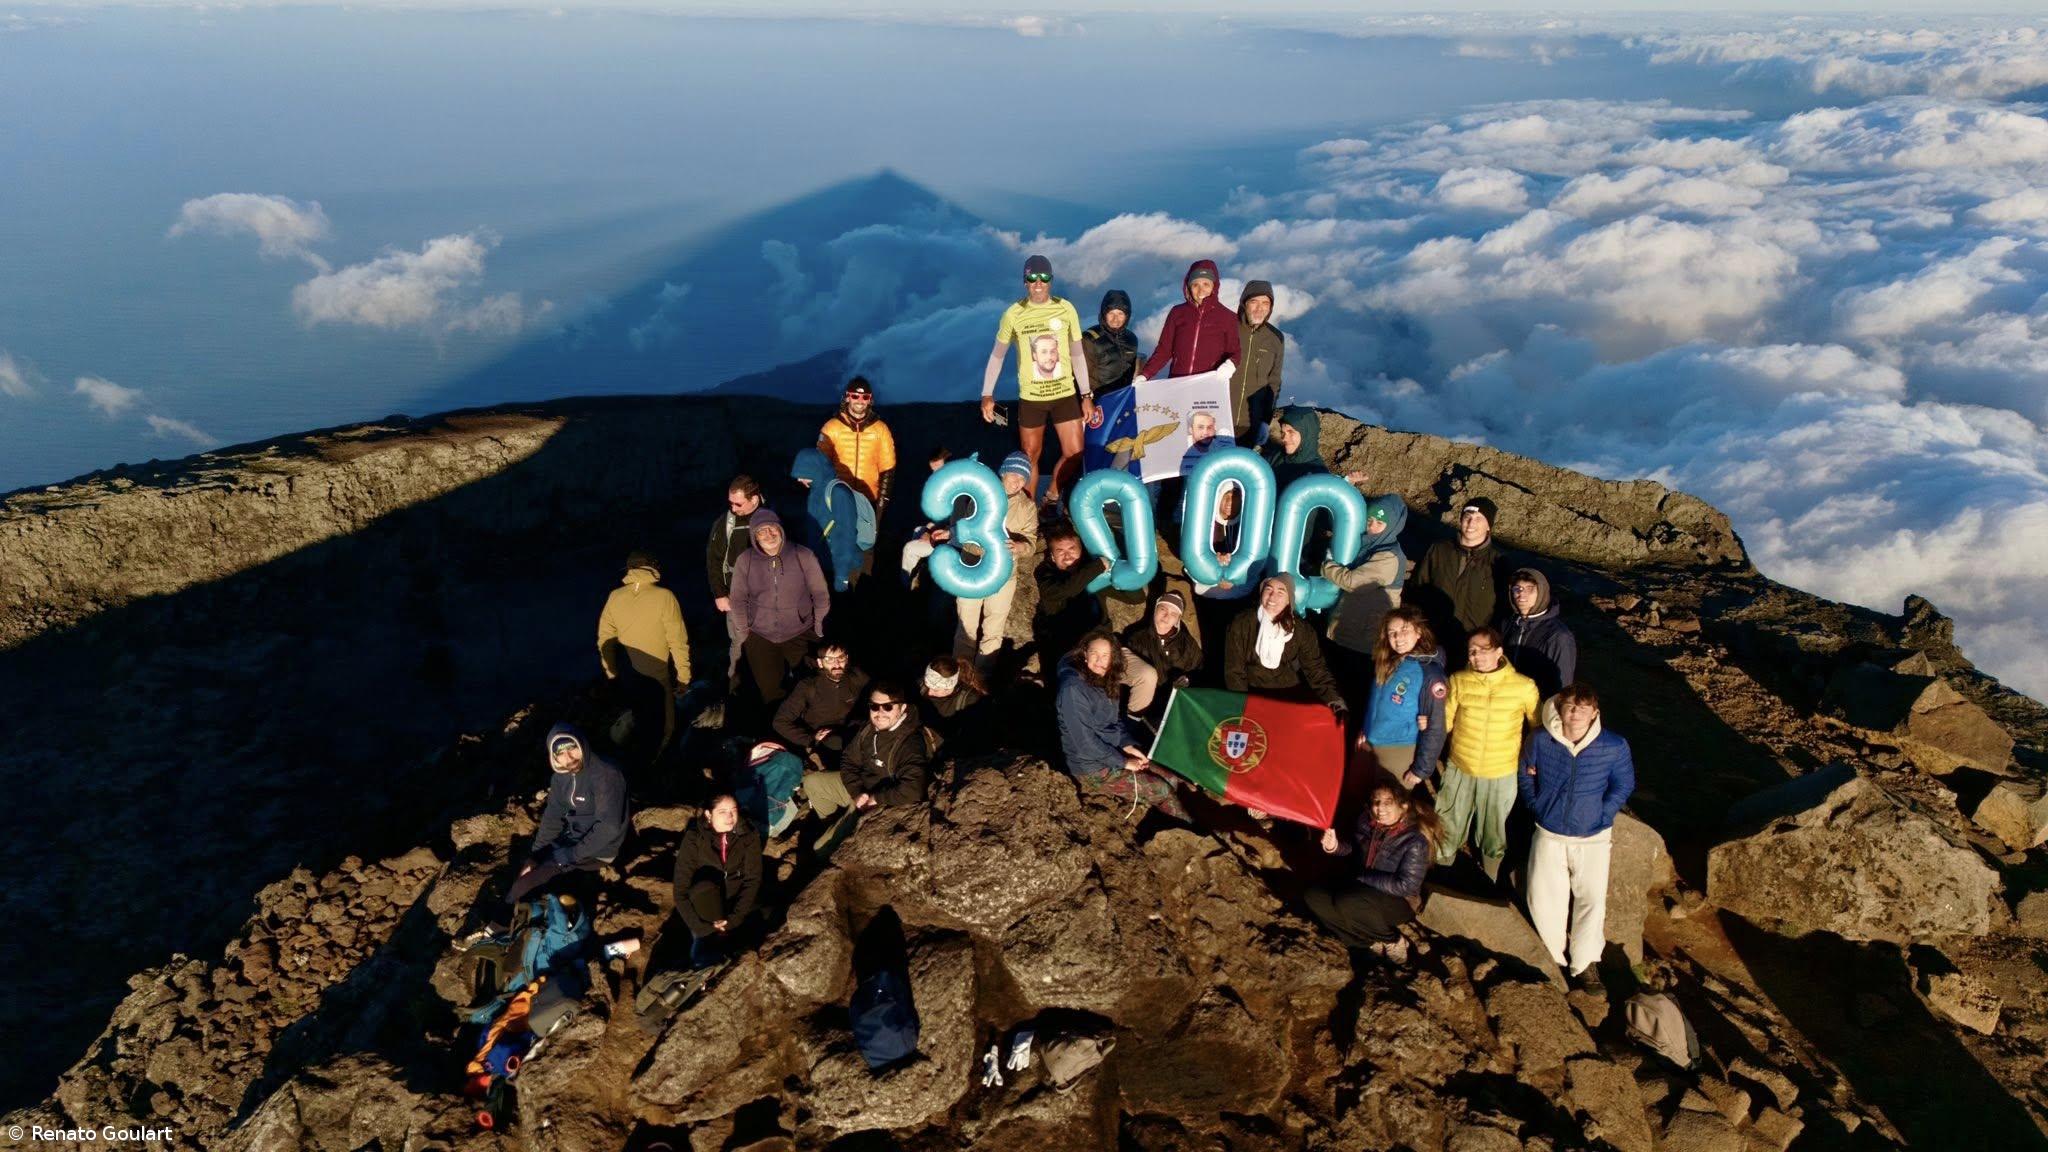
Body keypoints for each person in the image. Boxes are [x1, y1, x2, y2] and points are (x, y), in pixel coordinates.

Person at [1520, 683, 1635, 989]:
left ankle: (1584, 963)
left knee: (1591, 901)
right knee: (1543, 898)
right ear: (1559, 708)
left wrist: (1603, 814)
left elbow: (1623, 784)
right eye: (1570, 706)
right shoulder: (1540, 739)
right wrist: (1536, 805)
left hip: (1593, 837)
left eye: (1583, 708)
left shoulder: (1613, 745)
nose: (1575, 713)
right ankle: (1553, 960)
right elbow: (1525, 772)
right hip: (1549, 832)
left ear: (1594, 713)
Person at [981, 254, 1095, 508]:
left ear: (1051, 280)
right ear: (1025, 282)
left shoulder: (1066, 309)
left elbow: (1077, 354)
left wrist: (1086, 395)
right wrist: (987, 394)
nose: (1038, 283)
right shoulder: (1014, 313)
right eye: (1032, 278)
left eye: (1044, 277)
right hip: (1032, 398)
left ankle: (1052, 496)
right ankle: (1029, 511)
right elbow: (997, 355)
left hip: (1065, 393)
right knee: (1030, 457)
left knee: (1075, 453)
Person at [1436, 627, 1540, 881]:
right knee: (1448, 821)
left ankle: (1491, 879)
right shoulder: (1458, 680)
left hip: (1501, 770)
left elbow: (1537, 728)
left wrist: (1535, 761)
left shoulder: (1524, 686)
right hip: (1460, 765)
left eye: (1483, 650)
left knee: (1494, 828)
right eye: (1472, 651)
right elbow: (1444, 720)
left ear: (1499, 652)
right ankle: (1442, 874)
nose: (1477, 656)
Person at [1303, 782, 1444, 963]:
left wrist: (1362, 876)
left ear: (1403, 806)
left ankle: (1392, 940)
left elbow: (1406, 886)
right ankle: (1364, 941)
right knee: (1314, 896)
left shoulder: (1415, 840)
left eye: (1388, 802)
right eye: (1376, 802)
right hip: (1361, 890)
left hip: (1398, 902)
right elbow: (1354, 849)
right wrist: (1335, 847)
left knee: (1348, 901)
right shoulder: (1366, 821)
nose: (1380, 808)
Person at [1056, 631, 1189, 820]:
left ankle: (1192, 812)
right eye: (1094, 653)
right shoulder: (1073, 689)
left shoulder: (1105, 678)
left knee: (1172, 779)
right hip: (1092, 769)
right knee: (1162, 790)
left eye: (1105, 655)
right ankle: (1191, 828)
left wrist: (1127, 745)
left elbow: (1114, 721)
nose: (1099, 660)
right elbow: (1084, 743)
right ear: (1084, 654)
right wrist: (1124, 762)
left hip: (1113, 752)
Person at [1033, 526, 1157, 709]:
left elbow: (1136, 598)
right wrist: (1098, 566)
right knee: (1088, 690)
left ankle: (1131, 719)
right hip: (1073, 651)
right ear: (1052, 556)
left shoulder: (1094, 576)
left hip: (1106, 647)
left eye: (1072, 549)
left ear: (1081, 550)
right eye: (1060, 551)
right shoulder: (1046, 574)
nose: (1067, 555)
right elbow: (1063, 590)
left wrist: (1120, 572)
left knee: (1147, 675)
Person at [509, 724, 630, 906]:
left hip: (599, 850)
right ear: (554, 757)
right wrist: (535, 856)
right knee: (525, 872)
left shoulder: (606, 774)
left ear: (581, 745)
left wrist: (570, 855)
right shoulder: (560, 778)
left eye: (572, 748)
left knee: (526, 886)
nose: (569, 758)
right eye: (561, 753)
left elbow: (609, 828)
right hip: (571, 839)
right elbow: (552, 817)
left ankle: (504, 917)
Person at [728, 509, 830, 712]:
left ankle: (808, 724)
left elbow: (820, 594)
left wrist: (818, 627)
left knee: (810, 686)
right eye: (761, 531)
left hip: (801, 632)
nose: (768, 535)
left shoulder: (803, 555)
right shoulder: (745, 560)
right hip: (760, 635)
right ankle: (776, 725)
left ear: (781, 530)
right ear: (755, 537)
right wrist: (743, 630)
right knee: (770, 691)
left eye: (772, 528)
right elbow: (738, 600)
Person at [596, 550, 692, 763]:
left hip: (629, 676)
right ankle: (654, 765)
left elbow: (605, 641)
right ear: (653, 567)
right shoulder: (665, 596)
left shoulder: (615, 596)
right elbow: (678, 642)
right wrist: (683, 678)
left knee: (641, 719)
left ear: (630, 569)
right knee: (665, 728)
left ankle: (633, 760)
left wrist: (612, 675)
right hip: (658, 678)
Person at [802, 681, 932, 825]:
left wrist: (875, 798)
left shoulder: (910, 743)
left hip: (883, 802)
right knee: (812, 782)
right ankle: (831, 823)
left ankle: (840, 830)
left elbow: (913, 789)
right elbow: (849, 761)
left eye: (888, 707)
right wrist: (857, 792)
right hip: (861, 790)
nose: (880, 713)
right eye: (874, 706)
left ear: (902, 708)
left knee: (827, 841)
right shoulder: (867, 729)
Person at [954, 451, 1039, 668]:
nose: (1018, 482)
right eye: (1014, 475)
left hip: (1005, 576)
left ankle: (983, 676)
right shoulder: (980, 496)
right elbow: (964, 533)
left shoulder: (1028, 506)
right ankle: (962, 673)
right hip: (973, 570)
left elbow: (1031, 541)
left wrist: (1021, 547)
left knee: (994, 629)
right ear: (1003, 473)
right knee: (966, 627)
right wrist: (985, 548)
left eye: (1023, 478)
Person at [1223, 576, 1346, 714]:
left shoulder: (1301, 629)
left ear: (1289, 599)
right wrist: (1241, 705)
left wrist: (1333, 699)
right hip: (1252, 694)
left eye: (1280, 592)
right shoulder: (1242, 623)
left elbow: (1315, 668)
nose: (1272, 597)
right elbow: (1234, 671)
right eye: (1268, 589)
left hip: (1288, 696)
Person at [1357, 607, 1448, 789]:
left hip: (1399, 749)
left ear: (1419, 632)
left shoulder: (1429, 672)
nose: (1398, 637)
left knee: (1392, 802)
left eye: (1404, 630)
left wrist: (1421, 769)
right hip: (1371, 745)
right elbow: (1375, 703)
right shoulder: (1389, 662)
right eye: (1392, 633)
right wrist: (1365, 729)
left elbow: (1436, 724)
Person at [1409, 496, 1508, 661]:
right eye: (1467, 516)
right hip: (1432, 640)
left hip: (1472, 646)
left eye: (1478, 518)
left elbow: (1502, 609)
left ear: (1488, 526)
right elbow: (1416, 590)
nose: (1471, 523)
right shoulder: (1438, 550)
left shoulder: (1498, 562)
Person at [671, 794, 763, 969]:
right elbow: (680, 889)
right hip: (707, 900)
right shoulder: (694, 838)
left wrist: (735, 918)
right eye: (722, 812)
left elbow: (753, 879)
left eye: (733, 811)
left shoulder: (748, 835)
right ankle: (702, 947)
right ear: (708, 814)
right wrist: (701, 928)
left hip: (736, 898)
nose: (730, 817)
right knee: (705, 954)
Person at [1323, 490, 1410, 667]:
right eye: (1369, 520)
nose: (1372, 527)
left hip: (1363, 641)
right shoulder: (1370, 546)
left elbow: (1353, 582)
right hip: (1347, 631)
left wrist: (1326, 565)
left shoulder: (1389, 557)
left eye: (1380, 523)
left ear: (1393, 526)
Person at [1137, 260, 1240, 383]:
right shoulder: (1177, 313)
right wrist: (1145, 374)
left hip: (1208, 384)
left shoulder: (1228, 317)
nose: (1201, 290)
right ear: (1189, 287)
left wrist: (1230, 365)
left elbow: (1235, 352)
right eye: (1195, 285)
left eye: (1206, 284)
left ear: (1214, 286)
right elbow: (1164, 350)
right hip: (1178, 382)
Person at [771, 640, 870, 765]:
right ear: (820, 663)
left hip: (852, 734)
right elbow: (780, 722)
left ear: (847, 659)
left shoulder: (858, 679)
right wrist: (810, 739)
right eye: (829, 659)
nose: (837, 664)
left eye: (841, 658)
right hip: (823, 740)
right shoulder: (808, 686)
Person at [789, 447, 869, 594]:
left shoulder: (839, 493)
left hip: (840, 569)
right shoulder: (815, 492)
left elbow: (846, 536)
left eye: (804, 474)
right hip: (823, 564)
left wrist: (842, 576)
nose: (799, 479)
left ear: (815, 470)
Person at [708, 476, 762, 688]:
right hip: (736, 594)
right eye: (730, 503)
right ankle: (736, 690)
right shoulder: (726, 523)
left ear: (754, 499)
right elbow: (713, 559)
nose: (733, 508)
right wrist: (719, 594)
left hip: (768, 595)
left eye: (738, 504)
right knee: (739, 643)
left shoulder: (772, 518)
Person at [816, 377, 897, 515]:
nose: (860, 401)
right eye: (855, 396)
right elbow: (820, 463)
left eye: (865, 397)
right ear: (847, 398)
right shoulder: (831, 427)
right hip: (838, 497)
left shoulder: (881, 429)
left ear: (870, 400)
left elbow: (888, 468)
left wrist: (882, 501)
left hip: (868, 500)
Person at [1500, 567, 1577, 701]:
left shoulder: (1559, 636)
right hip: (1506, 704)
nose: (1521, 594)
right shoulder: (1508, 624)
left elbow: (1562, 685)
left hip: (1538, 707)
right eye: (1517, 589)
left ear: (1541, 593)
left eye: (1530, 589)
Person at [1120, 591, 1203, 711]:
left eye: (1173, 614)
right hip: (1144, 706)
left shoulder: (1187, 643)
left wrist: (1188, 679)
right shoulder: (1135, 637)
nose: (1166, 616)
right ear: (1155, 609)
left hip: (1176, 705)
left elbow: (1201, 670)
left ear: (1178, 619)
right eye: (1163, 609)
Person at [1232, 280, 1284, 442]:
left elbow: (1274, 382)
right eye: (1254, 302)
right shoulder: (1227, 328)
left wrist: (1265, 421)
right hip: (1218, 419)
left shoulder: (1275, 338)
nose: (1260, 308)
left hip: (1250, 424)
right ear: (1244, 303)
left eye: (1265, 303)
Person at [920, 656, 993, 755]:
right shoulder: (921, 688)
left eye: (936, 690)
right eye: (928, 685)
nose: (929, 692)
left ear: (950, 687)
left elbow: (974, 737)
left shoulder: (970, 701)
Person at [1082, 289, 1139, 396]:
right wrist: (1086, 398)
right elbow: (1081, 375)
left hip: (1123, 398)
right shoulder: (1089, 339)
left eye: (1120, 313)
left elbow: (1132, 371)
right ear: (1104, 314)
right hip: (1098, 398)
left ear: (1127, 315)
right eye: (1111, 313)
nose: (1115, 319)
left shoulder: (1131, 339)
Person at [1263, 406, 1327, 487]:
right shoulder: (1276, 456)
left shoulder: (1318, 476)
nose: (1284, 438)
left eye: (1290, 432)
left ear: (1307, 435)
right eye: (1283, 432)